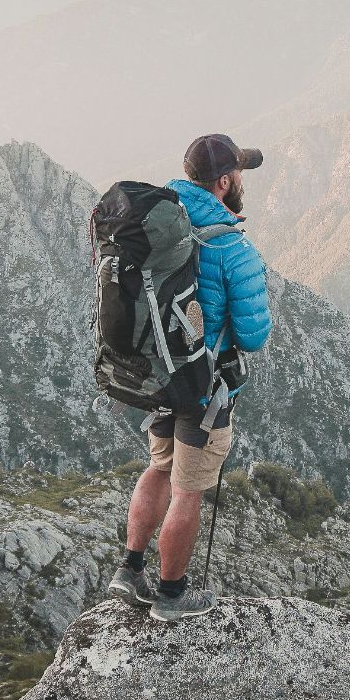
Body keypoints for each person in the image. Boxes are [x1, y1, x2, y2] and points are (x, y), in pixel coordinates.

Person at [109, 133, 271, 622]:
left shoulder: (158, 225)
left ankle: (130, 569)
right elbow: (253, 334)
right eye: (239, 173)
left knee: (158, 469)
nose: (241, 180)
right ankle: (172, 594)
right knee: (188, 490)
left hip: (155, 377)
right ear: (224, 182)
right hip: (203, 388)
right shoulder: (231, 247)